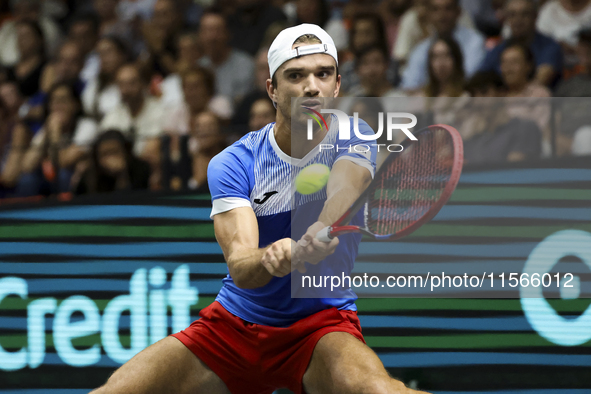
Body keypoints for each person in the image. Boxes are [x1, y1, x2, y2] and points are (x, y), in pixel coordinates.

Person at [89, 23, 430, 394]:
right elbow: (241, 266)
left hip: (320, 326)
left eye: (323, 73)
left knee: (379, 391)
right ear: (272, 89)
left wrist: (319, 227)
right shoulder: (234, 162)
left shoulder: (356, 134)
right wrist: (272, 256)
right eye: (295, 75)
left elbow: (345, 186)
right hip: (234, 326)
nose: (311, 87)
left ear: (337, 86)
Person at [17, 81, 98, 196]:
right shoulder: (45, 129)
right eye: (54, 102)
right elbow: (26, 166)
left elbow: (63, 162)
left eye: (63, 101)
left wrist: (55, 135)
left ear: (75, 105)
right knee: (27, 180)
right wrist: (45, 134)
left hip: (79, 183)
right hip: (50, 181)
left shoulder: (87, 126)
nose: (58, 106)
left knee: (64, 174)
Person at [400, 0, 485, 92]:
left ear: (458, 12)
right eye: (435, 10)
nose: (442, 15)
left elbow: (467, 81)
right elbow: (408, 86)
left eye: (448, 9)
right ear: (428, 14)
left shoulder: (475, 42)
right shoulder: (421, 49)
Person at [479, 0, 563, 88]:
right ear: (506, 18)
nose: (518, 20)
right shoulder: (498, 49)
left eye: (525, 14)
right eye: (512, 15)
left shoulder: (550, 47)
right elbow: (481, 79)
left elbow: (540, 81)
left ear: (535, 16)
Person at [99, 63, 165, 159]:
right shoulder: (112, 116)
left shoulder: (160, 112)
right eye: (121, 84)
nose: (126, 90)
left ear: (143, 84)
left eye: (132, 83)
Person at [198, 9, 255, 104]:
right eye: (207, 31)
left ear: (227, 34)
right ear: (200, 35)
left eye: (217, 31)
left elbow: (243, 102)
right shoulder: (199, 67)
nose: (212, 37)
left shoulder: (245, 65)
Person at [75, 129, 151, 195]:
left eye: (115, 152)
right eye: (105, 154)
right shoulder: (90, 174)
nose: (111, 159)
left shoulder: (141, 169)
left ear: (126, 153)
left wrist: (122, 175)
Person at [0, 0, 62, 68]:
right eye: (19, 11)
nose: (23, 16)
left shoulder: (49, 28)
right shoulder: (7, 27)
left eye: (28, 10)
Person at [81, 36, 128, 120]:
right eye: (100, 54)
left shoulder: (133, 79)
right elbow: (88, 108)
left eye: (108, 52)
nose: (104, 58)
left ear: (122, 54)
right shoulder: (95, 84)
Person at [5, 20, 46, 97]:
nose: (21, 40)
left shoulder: (46, 68)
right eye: (19, 36)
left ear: (40, 39)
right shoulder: (7, 71)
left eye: (26, 36)